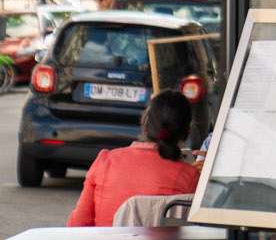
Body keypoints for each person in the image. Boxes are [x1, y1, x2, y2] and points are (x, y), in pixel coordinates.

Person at [67, 90, 200, 227]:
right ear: (187, 131)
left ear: (145, 121)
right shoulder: (189, 176)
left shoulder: (106, 161)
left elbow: (77, 225)